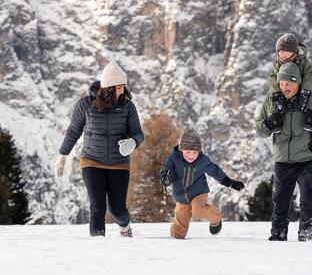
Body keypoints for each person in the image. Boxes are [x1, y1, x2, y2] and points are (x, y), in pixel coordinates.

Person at [54, 62, 143, 237]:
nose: (122, 91)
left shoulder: (127, 107)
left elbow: (138, 133)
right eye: (118, 87)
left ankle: (124, 226)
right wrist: (63, 154)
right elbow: (73, 131)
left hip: (119, 164)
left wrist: (132, 142)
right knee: (97, 206)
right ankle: (97, 244)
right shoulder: (85, 105)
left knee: (117, 209)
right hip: (91, 160)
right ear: (108, 88)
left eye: (123, 86)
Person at [254, 62, 312, 241]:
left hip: (307, 159)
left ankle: (306, 235)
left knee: (308, 198)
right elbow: (259, 129)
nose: (284, 88)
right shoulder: (272, 99)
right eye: (281, 84)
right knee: (280, 201)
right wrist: (269, 123)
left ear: (298, 82)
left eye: (288, 83)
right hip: (283, 161)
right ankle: (277, 235)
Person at [159, 128, 245, 239]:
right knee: (179, 227)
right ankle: (176, 240)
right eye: (188, 152)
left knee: (198, 211)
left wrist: (230, 183)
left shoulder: (202, 160)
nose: (191, 155)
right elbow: (166, 169)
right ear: (181, 149)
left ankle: (216, 218)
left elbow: (215, 171)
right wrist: (165, 178)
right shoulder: (174, 158)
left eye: (195, 152)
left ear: (199, 151)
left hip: (198, 192)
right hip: (180, 195)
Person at [265, 32, 312, 134]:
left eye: (285, 51)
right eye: (280, 52)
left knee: (309, 99)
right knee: (274, 100)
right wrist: (277, 92)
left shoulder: (302, 61)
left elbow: (309, 75)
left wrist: (305, 91)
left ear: (294, 52)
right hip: (284, 89)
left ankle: (309, 120)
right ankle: (277, 121)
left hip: (300, 87)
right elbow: (273, 77)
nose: (282, 54)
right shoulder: (278, 63)